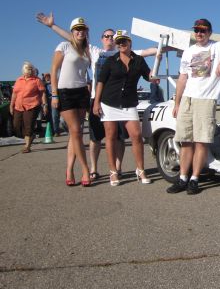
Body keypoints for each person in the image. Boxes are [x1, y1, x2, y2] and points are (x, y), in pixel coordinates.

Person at [37, 12, 161, 180]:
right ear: (102, 39)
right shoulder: (94, 51)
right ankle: (93, 169)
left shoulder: (127, 52)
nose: (111, 39)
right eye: (107, 36)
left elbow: (148, 51)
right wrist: (52, 25)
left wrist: (165, 47)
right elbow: (74, 38)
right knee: (94, 137)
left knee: (118, 137)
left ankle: (117, 169)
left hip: (118, 101)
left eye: (113, 36)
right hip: (98, 99)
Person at [167, 18, 220, 195]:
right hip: (187, 99)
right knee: (185, 141)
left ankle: (194, 179)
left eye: (203, 30)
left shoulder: (218, 47)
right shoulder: (188, 52)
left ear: (209, 32)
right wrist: (177, 103)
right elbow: (182, 78)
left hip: (206, 100)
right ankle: (182, 178)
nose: (199, 33)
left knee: (201, 142)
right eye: (196, 30)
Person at [93, 30, 156, 186]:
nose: (121, 44)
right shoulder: (110, 61)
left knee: (136, 135)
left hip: (129, 103)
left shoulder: (139, 60)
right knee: (111, 136)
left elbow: (148, 76)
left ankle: (140, 169)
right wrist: (96, 102)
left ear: (130, 43)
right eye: (118, 42)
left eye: (124, 41)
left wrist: (153, 77)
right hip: (109, 102)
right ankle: (113, 171)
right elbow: (101, 82)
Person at [50, 17, 93, 186]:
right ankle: (85, 170)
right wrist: (54, 94)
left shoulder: (86, 50)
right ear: (72, 31)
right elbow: (54, 69)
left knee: (75, 134)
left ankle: (69, 169)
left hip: (82, 92)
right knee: (76, 132)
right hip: (65, 92)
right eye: (77, 29)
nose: (80, 31)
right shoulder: (64, 46)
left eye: (83, 29)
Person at [10, 62, 48, 153]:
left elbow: (42, 93)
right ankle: (30, 135)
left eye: (31, 70)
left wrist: (44, 105)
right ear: (23, 71)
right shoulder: (18, 80)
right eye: (28, 70)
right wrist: (11, 105)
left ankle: (27, 146)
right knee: (16, 125)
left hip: (32, 105)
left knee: (28, 125)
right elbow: (14, 94)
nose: (29, 72)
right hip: (18, 106)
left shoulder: (37, 80)